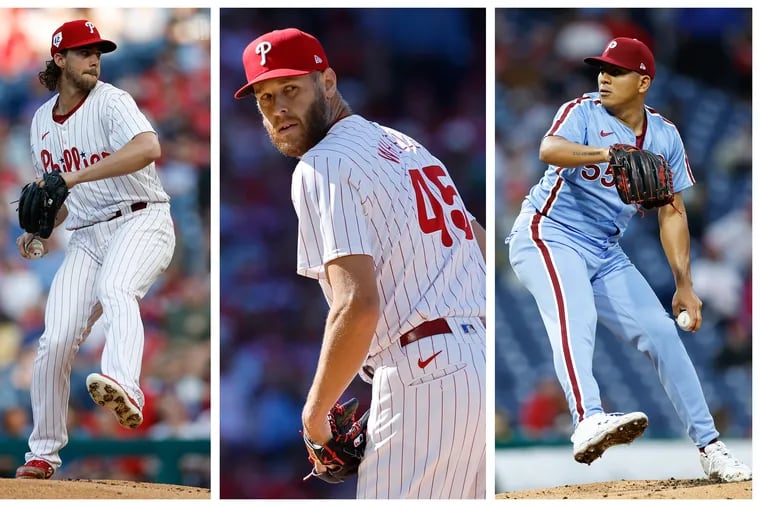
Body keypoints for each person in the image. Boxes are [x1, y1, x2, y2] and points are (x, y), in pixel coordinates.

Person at [233, 28, 486, 498]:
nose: (278, 108)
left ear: (327, 81)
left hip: (424, 367)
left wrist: (314, 416)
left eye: (291, 89)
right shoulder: (408, 146)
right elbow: (480, 243)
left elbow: (357, 305)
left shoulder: (322, 164)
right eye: (265, 97)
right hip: (477, 362)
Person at [506, 36, 751, 482]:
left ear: (643, 81)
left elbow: (672, 212)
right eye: (601, 68)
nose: (603, 76)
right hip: (548, 233)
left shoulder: (664, 136)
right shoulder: (582, 112)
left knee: (662, 333)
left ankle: (711, 447)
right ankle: (586, 419)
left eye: (616, 71)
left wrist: (683, 284)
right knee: (575, 314)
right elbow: (549, 149)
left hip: (605, 249)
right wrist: (607, 153)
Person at [14, 19, 175, 479]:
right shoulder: (41, 122)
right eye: (84, 52)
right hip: (86, 233)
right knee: (54, 341)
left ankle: (126, 385)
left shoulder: (112, 100)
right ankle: (42, 453)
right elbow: (57, 201)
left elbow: (149, 147)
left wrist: (72, 178)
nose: (94, 60)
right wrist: (39, 232)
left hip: (142, 218)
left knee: (116, 287)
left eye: (98, 52)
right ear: (59, 59)